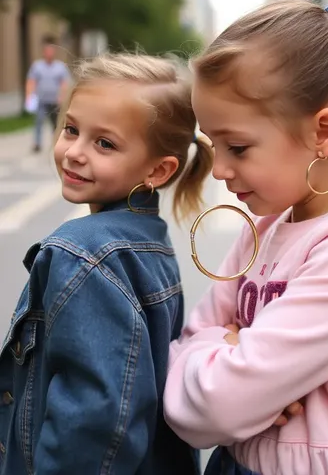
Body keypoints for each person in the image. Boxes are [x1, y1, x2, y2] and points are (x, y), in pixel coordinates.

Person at [163, 0, 328, 475]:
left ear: (324, 132)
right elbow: (183, 354)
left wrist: (231, 360)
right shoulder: (267, 226)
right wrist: (226, 354)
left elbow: (214, 405)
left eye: (237, 147)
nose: (218, 170)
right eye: (213, 146)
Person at [0, 53, 213, 474]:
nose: (74, 153)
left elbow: (94, 423)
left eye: (105, 143)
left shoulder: (82, 254)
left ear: (158, 169)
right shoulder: (148, 239)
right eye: (72, 129)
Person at [25, 35, 71, 152]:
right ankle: (37, 143)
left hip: (55, 101)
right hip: (41, 100)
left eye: (51, 51)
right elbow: (31, 81)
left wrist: (62, 96)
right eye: (47, 51)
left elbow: (64, 83)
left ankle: (56, 143)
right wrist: (29, 96)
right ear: (44, 52)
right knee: (38, 122)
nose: (49, 53)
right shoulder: (37, 66)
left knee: (56, 124)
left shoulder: (59, 67)